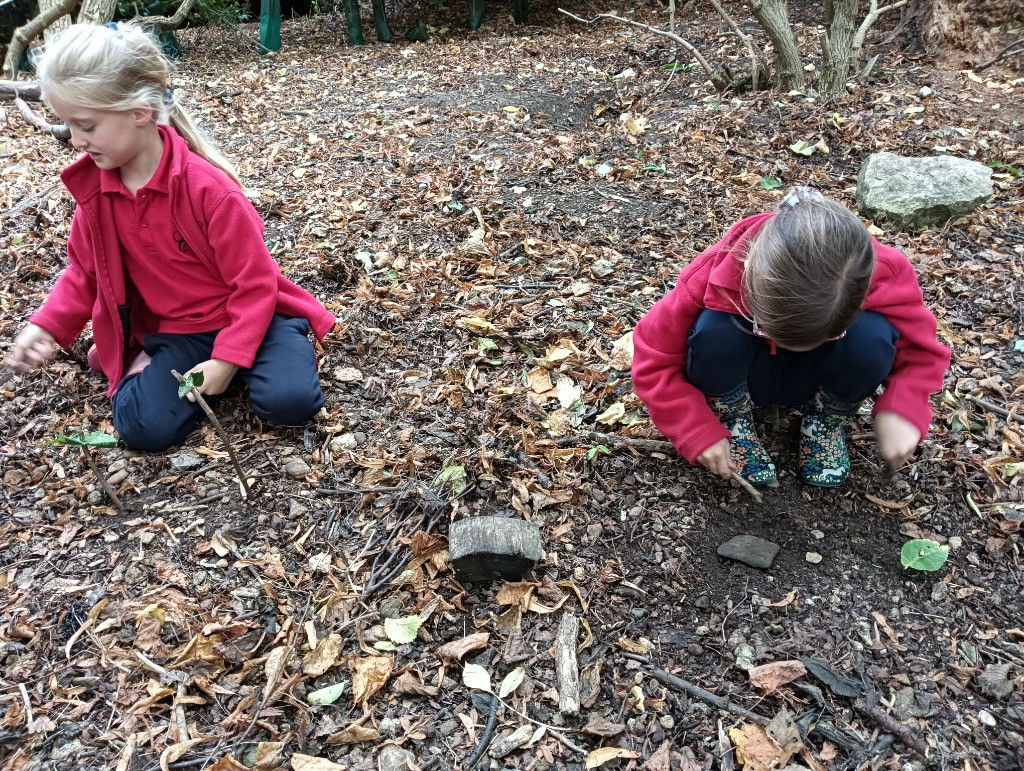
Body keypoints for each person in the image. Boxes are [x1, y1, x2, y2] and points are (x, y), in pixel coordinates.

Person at [5, 22, 336, 452]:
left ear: (140, 112)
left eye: (86, 124)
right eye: (68, 124)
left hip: (252, 315)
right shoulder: (98, 192)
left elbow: (255, 283)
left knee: (290, 403)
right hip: (180, 331)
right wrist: (45, 326)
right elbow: (85, 273)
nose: (75, 137)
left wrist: (227, 358)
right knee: (142, 428)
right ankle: (177, 369)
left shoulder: (208, 190)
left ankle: (263, 352)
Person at [631, 187, 950, 488]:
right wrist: (694, 427)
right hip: (745, 370)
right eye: (765, 326)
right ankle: (733, 417)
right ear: (752, 276)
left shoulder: (881, 271)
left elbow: (922, 352)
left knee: (873, 337)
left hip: (818, 376)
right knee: (715, 329)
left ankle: (825, 421)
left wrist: (902, 408)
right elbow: (652, 357)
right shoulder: (716, 271)